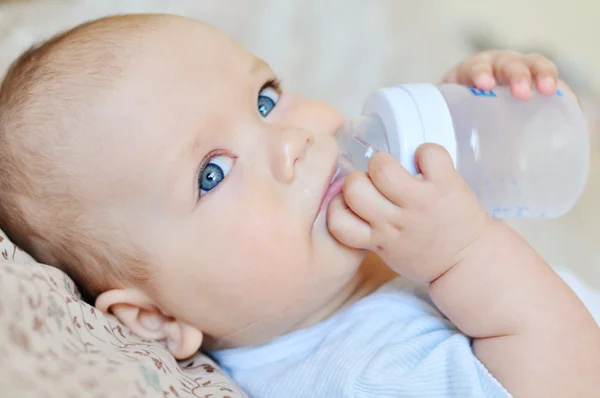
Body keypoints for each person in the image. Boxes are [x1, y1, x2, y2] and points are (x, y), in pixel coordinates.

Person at [0, 14, 598, 398]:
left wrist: (474, 126)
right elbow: (573, 378)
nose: (293, 141)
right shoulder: (354, 375)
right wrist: (463, 254)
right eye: (212, 173)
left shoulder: (353, 276)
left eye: (265, 100)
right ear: (155, 319)